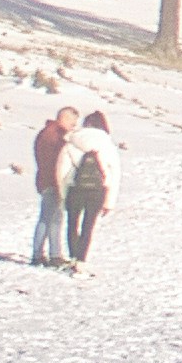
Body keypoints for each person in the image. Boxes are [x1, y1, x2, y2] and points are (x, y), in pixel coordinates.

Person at [60, 110, 118, 272]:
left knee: (72, 224)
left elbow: (62, 171)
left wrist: (63, 194)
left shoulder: (72, 142)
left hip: (75, 189)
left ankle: (72, 257)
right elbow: (115, 173)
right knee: (88, 225)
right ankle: (82, 260)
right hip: (98, 191)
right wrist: (109, 201)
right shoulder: (107, 145)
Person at [28, 106, 78, 265]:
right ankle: (38, 254)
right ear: (65, 118)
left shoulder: (48, 133)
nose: (74, 126)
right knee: (48, 218)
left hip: (49, 181)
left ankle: (54, 254)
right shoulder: (54, 136)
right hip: (52, 182)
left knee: (55, 218)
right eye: (73, 122)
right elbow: (54, 161)